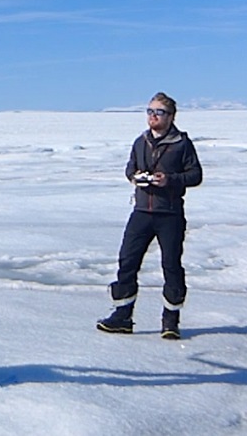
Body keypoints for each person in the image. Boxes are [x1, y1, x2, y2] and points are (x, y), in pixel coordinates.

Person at [98, 92, 203, 338]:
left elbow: (195, 175)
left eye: (159, 112)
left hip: (170, 214)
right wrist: (135, 176)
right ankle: (122, 316)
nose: (153, 116)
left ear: (171, 116)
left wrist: (169, 180)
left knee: (171, 266)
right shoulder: (141, 141)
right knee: (127, 261)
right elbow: (130, 167)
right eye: (149, 111)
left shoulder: (182, 144)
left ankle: (170, 320)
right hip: (142, 212)